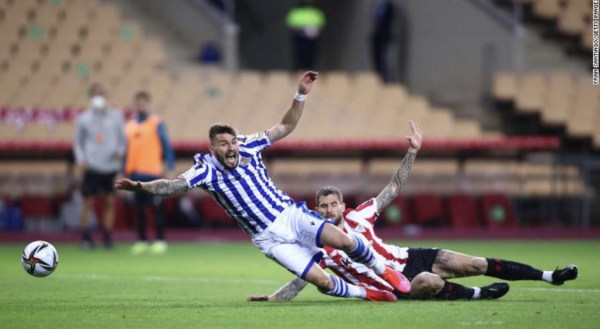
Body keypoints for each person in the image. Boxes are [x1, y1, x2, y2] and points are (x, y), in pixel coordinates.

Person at [115, 71, 410, 302]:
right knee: (321, 281)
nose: (231, 148)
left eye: (232, 141)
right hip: (269, 239)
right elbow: (173, 186)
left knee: (344, 240)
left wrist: (300, 95)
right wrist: (141, 186)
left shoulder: (249, 144)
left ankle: (384, 271)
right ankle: (367, 293)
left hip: (290, 214)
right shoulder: (204, 169)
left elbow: (285, 127)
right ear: (212, 148)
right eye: (223, 144)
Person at [247, 121, 579, 302]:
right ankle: (478, 295)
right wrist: (274, 298)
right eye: (323, 206)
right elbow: (303, 278)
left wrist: (413, 153)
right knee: (427, 281)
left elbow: (393, 187)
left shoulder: (360, 216)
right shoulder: (315, 240)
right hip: (394, 285)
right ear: (316, 209)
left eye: (334, 204)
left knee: (474, 262)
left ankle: (550, 276)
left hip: (410, 256)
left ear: (343, 206)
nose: (329, 209)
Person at [74, 83, 126, 249]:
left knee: (109, 202)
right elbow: (78, 142)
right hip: (92, 166)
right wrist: (81, 159)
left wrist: (120, 151)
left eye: (101, 94)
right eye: (95, 95)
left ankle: (107, 236)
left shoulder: (116, 116)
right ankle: (86, 236)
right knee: (88, 202)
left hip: (110, 166)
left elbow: (123, 140)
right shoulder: (83, 119)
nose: (98, 98)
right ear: (90, 97)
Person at [124, 91, 175, 255]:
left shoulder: (156, 123)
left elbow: (167, 146)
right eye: (138, 103)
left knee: (156, 208)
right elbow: (126, 152)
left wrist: (170, 167)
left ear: (148, 104)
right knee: (139, 210)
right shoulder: (129, 126)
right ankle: (142, 241)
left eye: (144, 103)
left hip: (153, 173)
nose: (141, 106)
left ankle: (160, 240)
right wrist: (122, 171)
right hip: (135, 175)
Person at [286, 0, 326, 71]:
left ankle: (310, 71)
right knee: (299, 56)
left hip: (312, 40)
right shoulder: (296, 12)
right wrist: (303, 32)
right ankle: (298, 71)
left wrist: (314, 31)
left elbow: (321, 25)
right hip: (299, 39)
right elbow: (292, 26)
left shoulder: (316, 12)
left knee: (311, 57)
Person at [370, 0, 394, 82]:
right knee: (377, 58)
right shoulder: (379, 5)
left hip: (383, 34)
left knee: (382, 59)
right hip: (378, 34)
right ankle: (378, 76)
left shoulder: (387, 6)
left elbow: (380, 19)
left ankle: (383, 78)